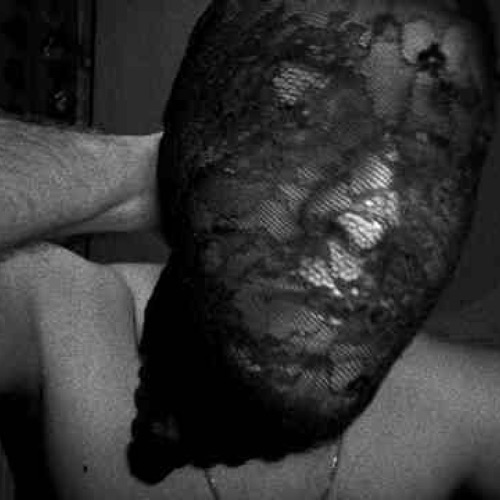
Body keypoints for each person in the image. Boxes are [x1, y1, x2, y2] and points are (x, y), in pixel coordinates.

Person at [0, 3, 500, 500]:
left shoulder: (467, 412)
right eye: (305, 121)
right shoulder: (64, 319)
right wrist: (148, 173)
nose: (370, 226)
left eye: (428, 154)